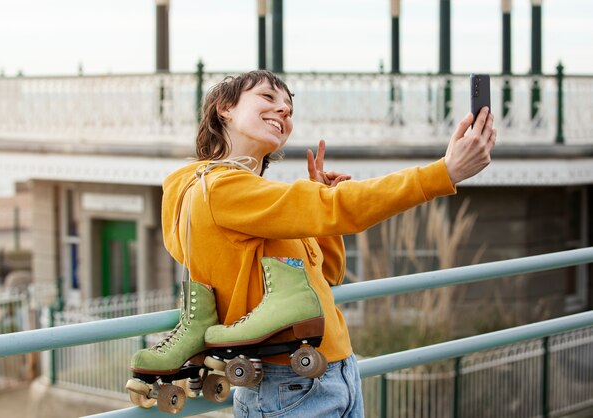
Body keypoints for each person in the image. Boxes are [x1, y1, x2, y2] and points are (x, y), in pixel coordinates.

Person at [130, 70, 496, 416]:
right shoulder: (222, 189)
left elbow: (328, 276)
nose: (284, 109)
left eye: (288, 106)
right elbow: (341, 208)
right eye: (267, 96)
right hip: (286, 382)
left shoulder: (257, 199)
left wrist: (322, 208)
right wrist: (443, 173)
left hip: (334, 369)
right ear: (225, 108)